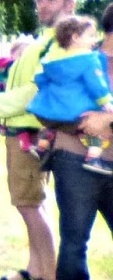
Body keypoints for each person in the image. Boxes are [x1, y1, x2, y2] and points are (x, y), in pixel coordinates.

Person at [0, 0, 77, 280]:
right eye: (39, 0)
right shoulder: (45, 39)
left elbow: (36, 90)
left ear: (69, 4)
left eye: (50, 0)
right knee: (32, 202)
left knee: (29, 203)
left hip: (32, 132)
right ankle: (35, 268)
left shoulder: (60, 42)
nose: (42, 6)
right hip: (22, 129)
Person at [39, 3, 113, 280]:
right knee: (74, 233)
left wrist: (107, 120)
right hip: (73, 156)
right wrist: (84, 123)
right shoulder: (75, 58)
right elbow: (48, 106)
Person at [28, 16, 113, 174]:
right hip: (74, 110)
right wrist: (106, 102)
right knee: (94, 129)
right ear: (75, 37)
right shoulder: (89, 59)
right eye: (91, 36)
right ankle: (93, 159)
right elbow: (96, 83)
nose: (95, 40)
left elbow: (39, 78)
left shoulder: (52, 59)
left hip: (48, 111)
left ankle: (41, 147)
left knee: (54, 127)